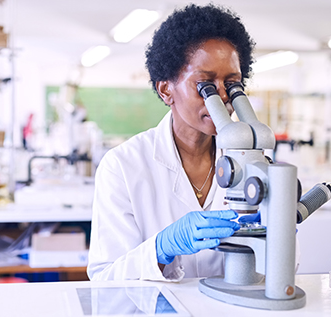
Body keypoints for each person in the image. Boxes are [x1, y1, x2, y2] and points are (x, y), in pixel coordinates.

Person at [87, 3, 256, 281]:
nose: (223, 97)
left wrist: (277, 237)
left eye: (232, 84)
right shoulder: (123, 166)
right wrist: (160, 250)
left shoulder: (252, 159)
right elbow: (105, 278)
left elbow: (283, 271)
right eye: (206, 85)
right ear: (166, 90)